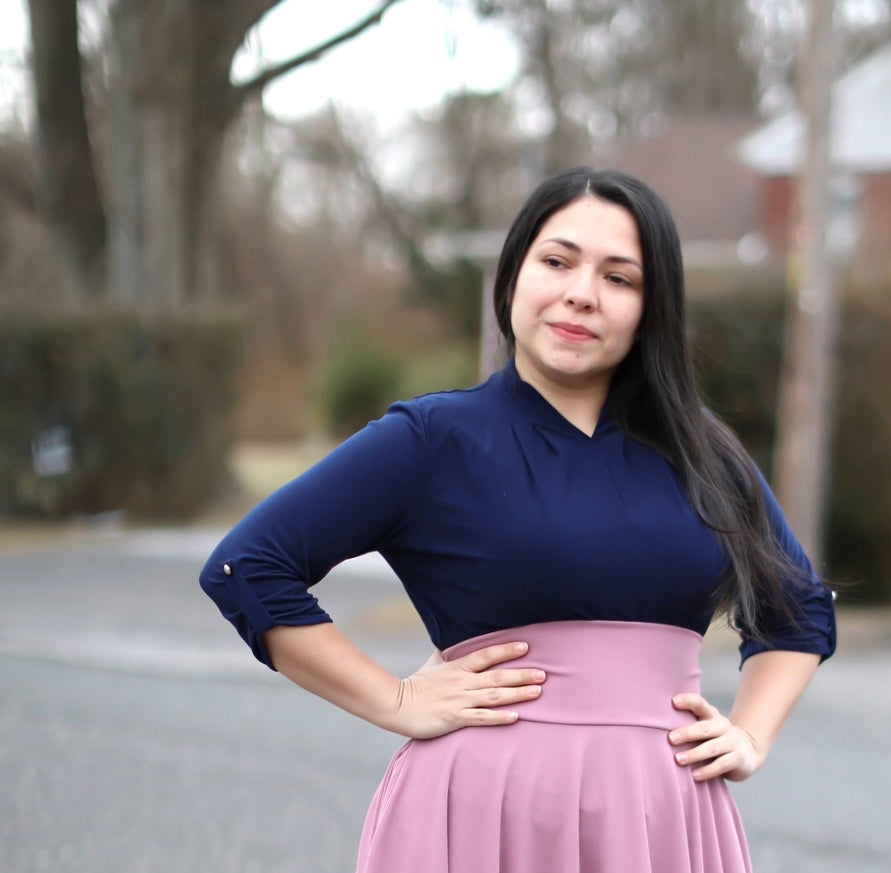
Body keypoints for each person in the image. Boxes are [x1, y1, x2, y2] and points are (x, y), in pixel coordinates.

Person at [199, 166, 836, 873]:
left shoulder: (702, 451)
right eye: (556, 261)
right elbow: (248, 567)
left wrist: (749, 735)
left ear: (651, 308)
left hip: (661, 817)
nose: (580, 294)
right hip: (478, 810)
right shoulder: (432, 439)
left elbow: (797, 608)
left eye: (619, 278)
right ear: (512, 277)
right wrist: (397, 698)